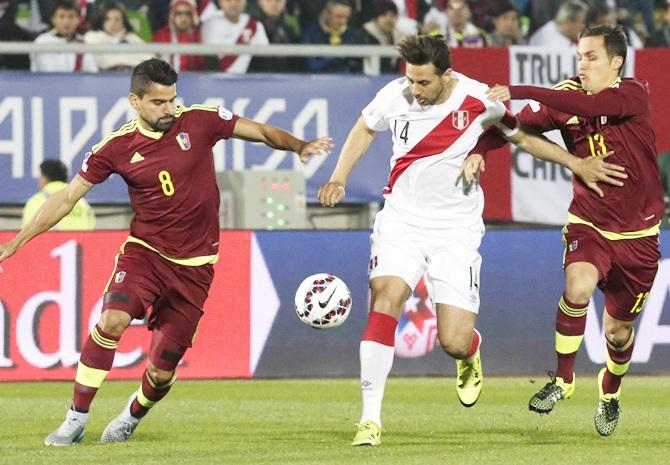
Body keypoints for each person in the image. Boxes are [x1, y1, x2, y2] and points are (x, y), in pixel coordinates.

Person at [0, 58, 332, 446]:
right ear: (135, 101)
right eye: (158, 103)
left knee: (160, 372)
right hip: (146, 254)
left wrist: (298, 145)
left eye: (172, 100)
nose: (169, 110)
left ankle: (132, 415)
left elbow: (257, 130)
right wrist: (17, 241)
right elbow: (67, 197)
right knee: (111, 321)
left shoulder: (200, 121)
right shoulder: (116, 148)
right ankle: (75, 419)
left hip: (196, 267)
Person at [317, 34, 626, 447]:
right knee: (385, 296)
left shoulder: (480, 99)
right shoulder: (395, 95)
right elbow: (364, 127)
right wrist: (339, 176)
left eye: (423, 83)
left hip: (455, 230)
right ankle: (369, 420)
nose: (415, 90)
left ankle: (469, 354)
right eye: (410, 80)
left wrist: (575, 162)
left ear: (447, 75)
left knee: (454, 340)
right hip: (401, 221)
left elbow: (522, 137)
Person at [480, 24, 662, 436]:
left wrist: (519, 87)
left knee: (618, 333)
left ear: (616, 61)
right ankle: (563, 380)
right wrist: (477, 151)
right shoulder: (567, 96)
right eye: (579, 56)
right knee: (577, 289)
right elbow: (511, 127)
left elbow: (585, 103)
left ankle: (610, 391)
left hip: (638, 237)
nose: (582, 63)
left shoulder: (631, 93)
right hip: (590, 221)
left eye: (592, 57)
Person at [23, 159, 96, 230]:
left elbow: (28, 232)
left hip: (52, 242)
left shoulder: (37, 201)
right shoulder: (82, 203)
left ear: (44, 178)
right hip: (79, 242)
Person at [200, 0, 269, 73]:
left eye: (238, 0)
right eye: (228, 0)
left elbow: (265, 58)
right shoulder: (209, 24)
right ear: (220, 2)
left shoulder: (255, 25)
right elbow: (206, 58)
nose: (234, 4)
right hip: (215, 79)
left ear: (245, 2)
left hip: (246, 80)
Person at [31, 0, 98, 73]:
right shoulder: (41, 42)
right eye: (61, 17)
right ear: (53, 19)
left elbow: (91, 72)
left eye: (71, 17)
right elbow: (41, 73)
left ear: (78, 20)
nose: (66, 22)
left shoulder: (82, 44)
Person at [83, 2, 154, 71]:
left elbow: (150, 58)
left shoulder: (131, 37)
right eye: (107, 19)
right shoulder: (91, 36)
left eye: (117, 19)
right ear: (101, 20)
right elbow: (100, 60)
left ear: (123, 22)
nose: (112, 23)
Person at [152, 0, 205, 72]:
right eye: (179, 13)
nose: (183, 18)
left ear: (193, 17)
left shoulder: (199, 36)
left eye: (188, 14)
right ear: (172, 15)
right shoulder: (160, 36)